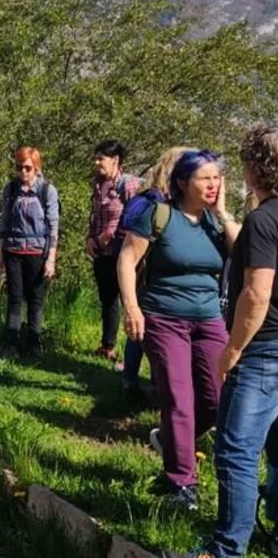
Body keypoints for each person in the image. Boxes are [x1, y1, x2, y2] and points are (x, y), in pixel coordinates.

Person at [166, 126, 278, 558]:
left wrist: (232, 349)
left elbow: (257, 293)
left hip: (262, 350)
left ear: (253, 167)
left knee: (236, 452)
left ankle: (226, 550)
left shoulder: (265, 220)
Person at [118, 149, 239, 511]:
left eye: (217, 178)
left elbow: (245, 253)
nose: (213, 185)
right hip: (164, 318)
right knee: (179, 400)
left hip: (209, 320)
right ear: (183, 183)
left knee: (218, 400)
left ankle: (170, 439)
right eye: (205, 178)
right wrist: (132, 308)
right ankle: (181, 484)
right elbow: (126, 259)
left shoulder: (215, 223)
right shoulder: (160, 215)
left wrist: (222, 213)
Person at [115, 146, 195, 393]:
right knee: (144, 328)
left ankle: (137, 380)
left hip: (147, 276)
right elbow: (128, 243)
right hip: (147, 276)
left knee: (142, 330)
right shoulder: (153, 204)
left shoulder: (144, 200)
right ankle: (145, 382)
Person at [0, 146, 60, 358]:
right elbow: (5, 222)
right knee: (14, 297)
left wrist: (51, 259)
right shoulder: (10, 189)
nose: (23, 172)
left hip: (37, 252)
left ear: (36, 168)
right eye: (19, 167)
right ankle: (11, 343)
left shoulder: (47, 191)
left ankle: (34, 341)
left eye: (27, 168)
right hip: (13, 250)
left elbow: (53, 226)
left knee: (35, 297)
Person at [87, 140, 140, 361]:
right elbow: (94, 215)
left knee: (131, 301)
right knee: (107, 301)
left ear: (115, 160)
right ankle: (107, 346)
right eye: (96, 158)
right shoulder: (98, 184)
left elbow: (137, 217)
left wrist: (113, 233)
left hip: (124, 254)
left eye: (101, 158)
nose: (96, 162)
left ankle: (133, 354)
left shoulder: (129, 185)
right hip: (102, 254)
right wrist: (90, 238)